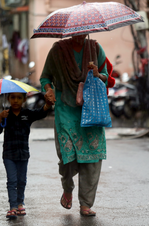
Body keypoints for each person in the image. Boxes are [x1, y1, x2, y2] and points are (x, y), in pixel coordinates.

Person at [40, 34, 109, 217]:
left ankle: (86, 204)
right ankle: (67, 187)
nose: (80, 35)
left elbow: (107, 77)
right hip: (65, 111)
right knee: (67, 157)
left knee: (92, 159)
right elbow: (45, 77)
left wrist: (97, 75)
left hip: (91, 109)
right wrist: (48, 90)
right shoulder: (57, 50)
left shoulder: (95, 48)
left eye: (83, 31)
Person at [0, 92, 52, 219]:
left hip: (23, 154)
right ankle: (12, 207)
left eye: (19, 98)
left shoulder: (27, 114)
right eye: (13, 97)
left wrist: (47, 105)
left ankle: (20, 203)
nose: (15, 100)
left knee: (21, 181)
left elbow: (40, 113)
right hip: (9, 154)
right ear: (8, 99)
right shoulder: (5, 114)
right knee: (12, 181)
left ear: (24, 99)